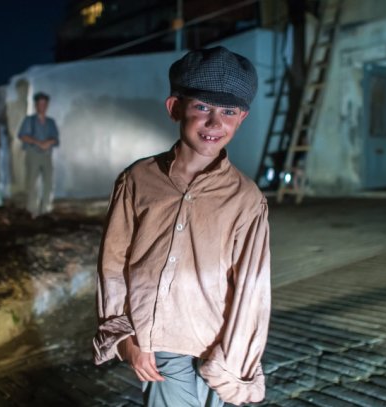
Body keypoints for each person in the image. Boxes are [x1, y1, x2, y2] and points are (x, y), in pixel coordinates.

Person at [93, 46, 271, 406]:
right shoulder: (137, 180)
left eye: (228, 111)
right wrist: (125, 336)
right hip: (157, 344)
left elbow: (252, 290)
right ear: (175, 108)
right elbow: (112, 265)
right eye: (202, 107)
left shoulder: (246, 199)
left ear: (241, 118)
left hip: (215, 347)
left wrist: (234, 362)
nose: (215, 123)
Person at [17, 92, 59, 218]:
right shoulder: (29, 120)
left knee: (49, 181)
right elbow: (22, 136)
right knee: (32, 182)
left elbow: (56, 139)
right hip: (33, 153)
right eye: (40, 104)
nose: (42, 106)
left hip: (47, 155)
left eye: (44, 104)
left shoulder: (51, 122)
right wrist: (38, 143)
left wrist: (48, 142)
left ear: (47, 105)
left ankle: (46, 208)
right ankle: (32, 209)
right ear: (36, 105)